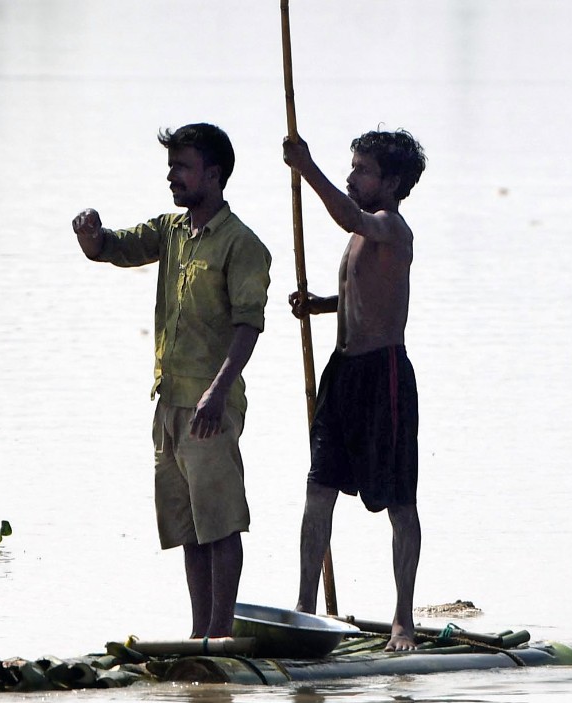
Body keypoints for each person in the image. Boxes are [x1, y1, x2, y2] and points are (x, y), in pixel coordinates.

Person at [73, 123, 272, 639]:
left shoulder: (242, 245)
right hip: (170, 401)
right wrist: (91, 238)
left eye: (182, 167)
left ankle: (221, 632)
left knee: (220, 523)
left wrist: (219, 390)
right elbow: (114, 248)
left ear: (214, 173)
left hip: (212, 404)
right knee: (188, 528)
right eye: (171, 167)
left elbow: (249, 324)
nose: (172, 177)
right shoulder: (172, 231)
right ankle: (198, 631)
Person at [282, 129, 426, 651]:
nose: (351, 176)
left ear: (391, 182)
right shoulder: (362, 232)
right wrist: (321, 304)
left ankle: (402, 620)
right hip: (341, 372)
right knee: (318, 489)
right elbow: (363, 296)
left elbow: (349, 216)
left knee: (398, 500)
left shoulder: (388, 226)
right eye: (352, 167)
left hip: (382, 375)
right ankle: (304, 606)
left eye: (362, 170)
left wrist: (307, 168)